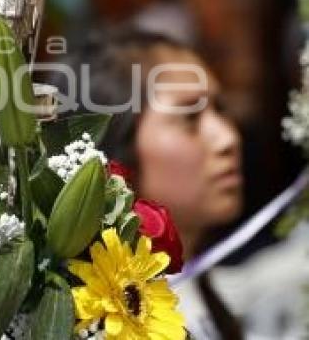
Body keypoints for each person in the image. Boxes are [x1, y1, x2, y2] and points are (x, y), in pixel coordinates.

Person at [49, 27, 245, 338]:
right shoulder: (94, 321)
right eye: (189, 118)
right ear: (115, 143)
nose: (228, 138)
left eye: (221, 109)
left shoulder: (203, 293)